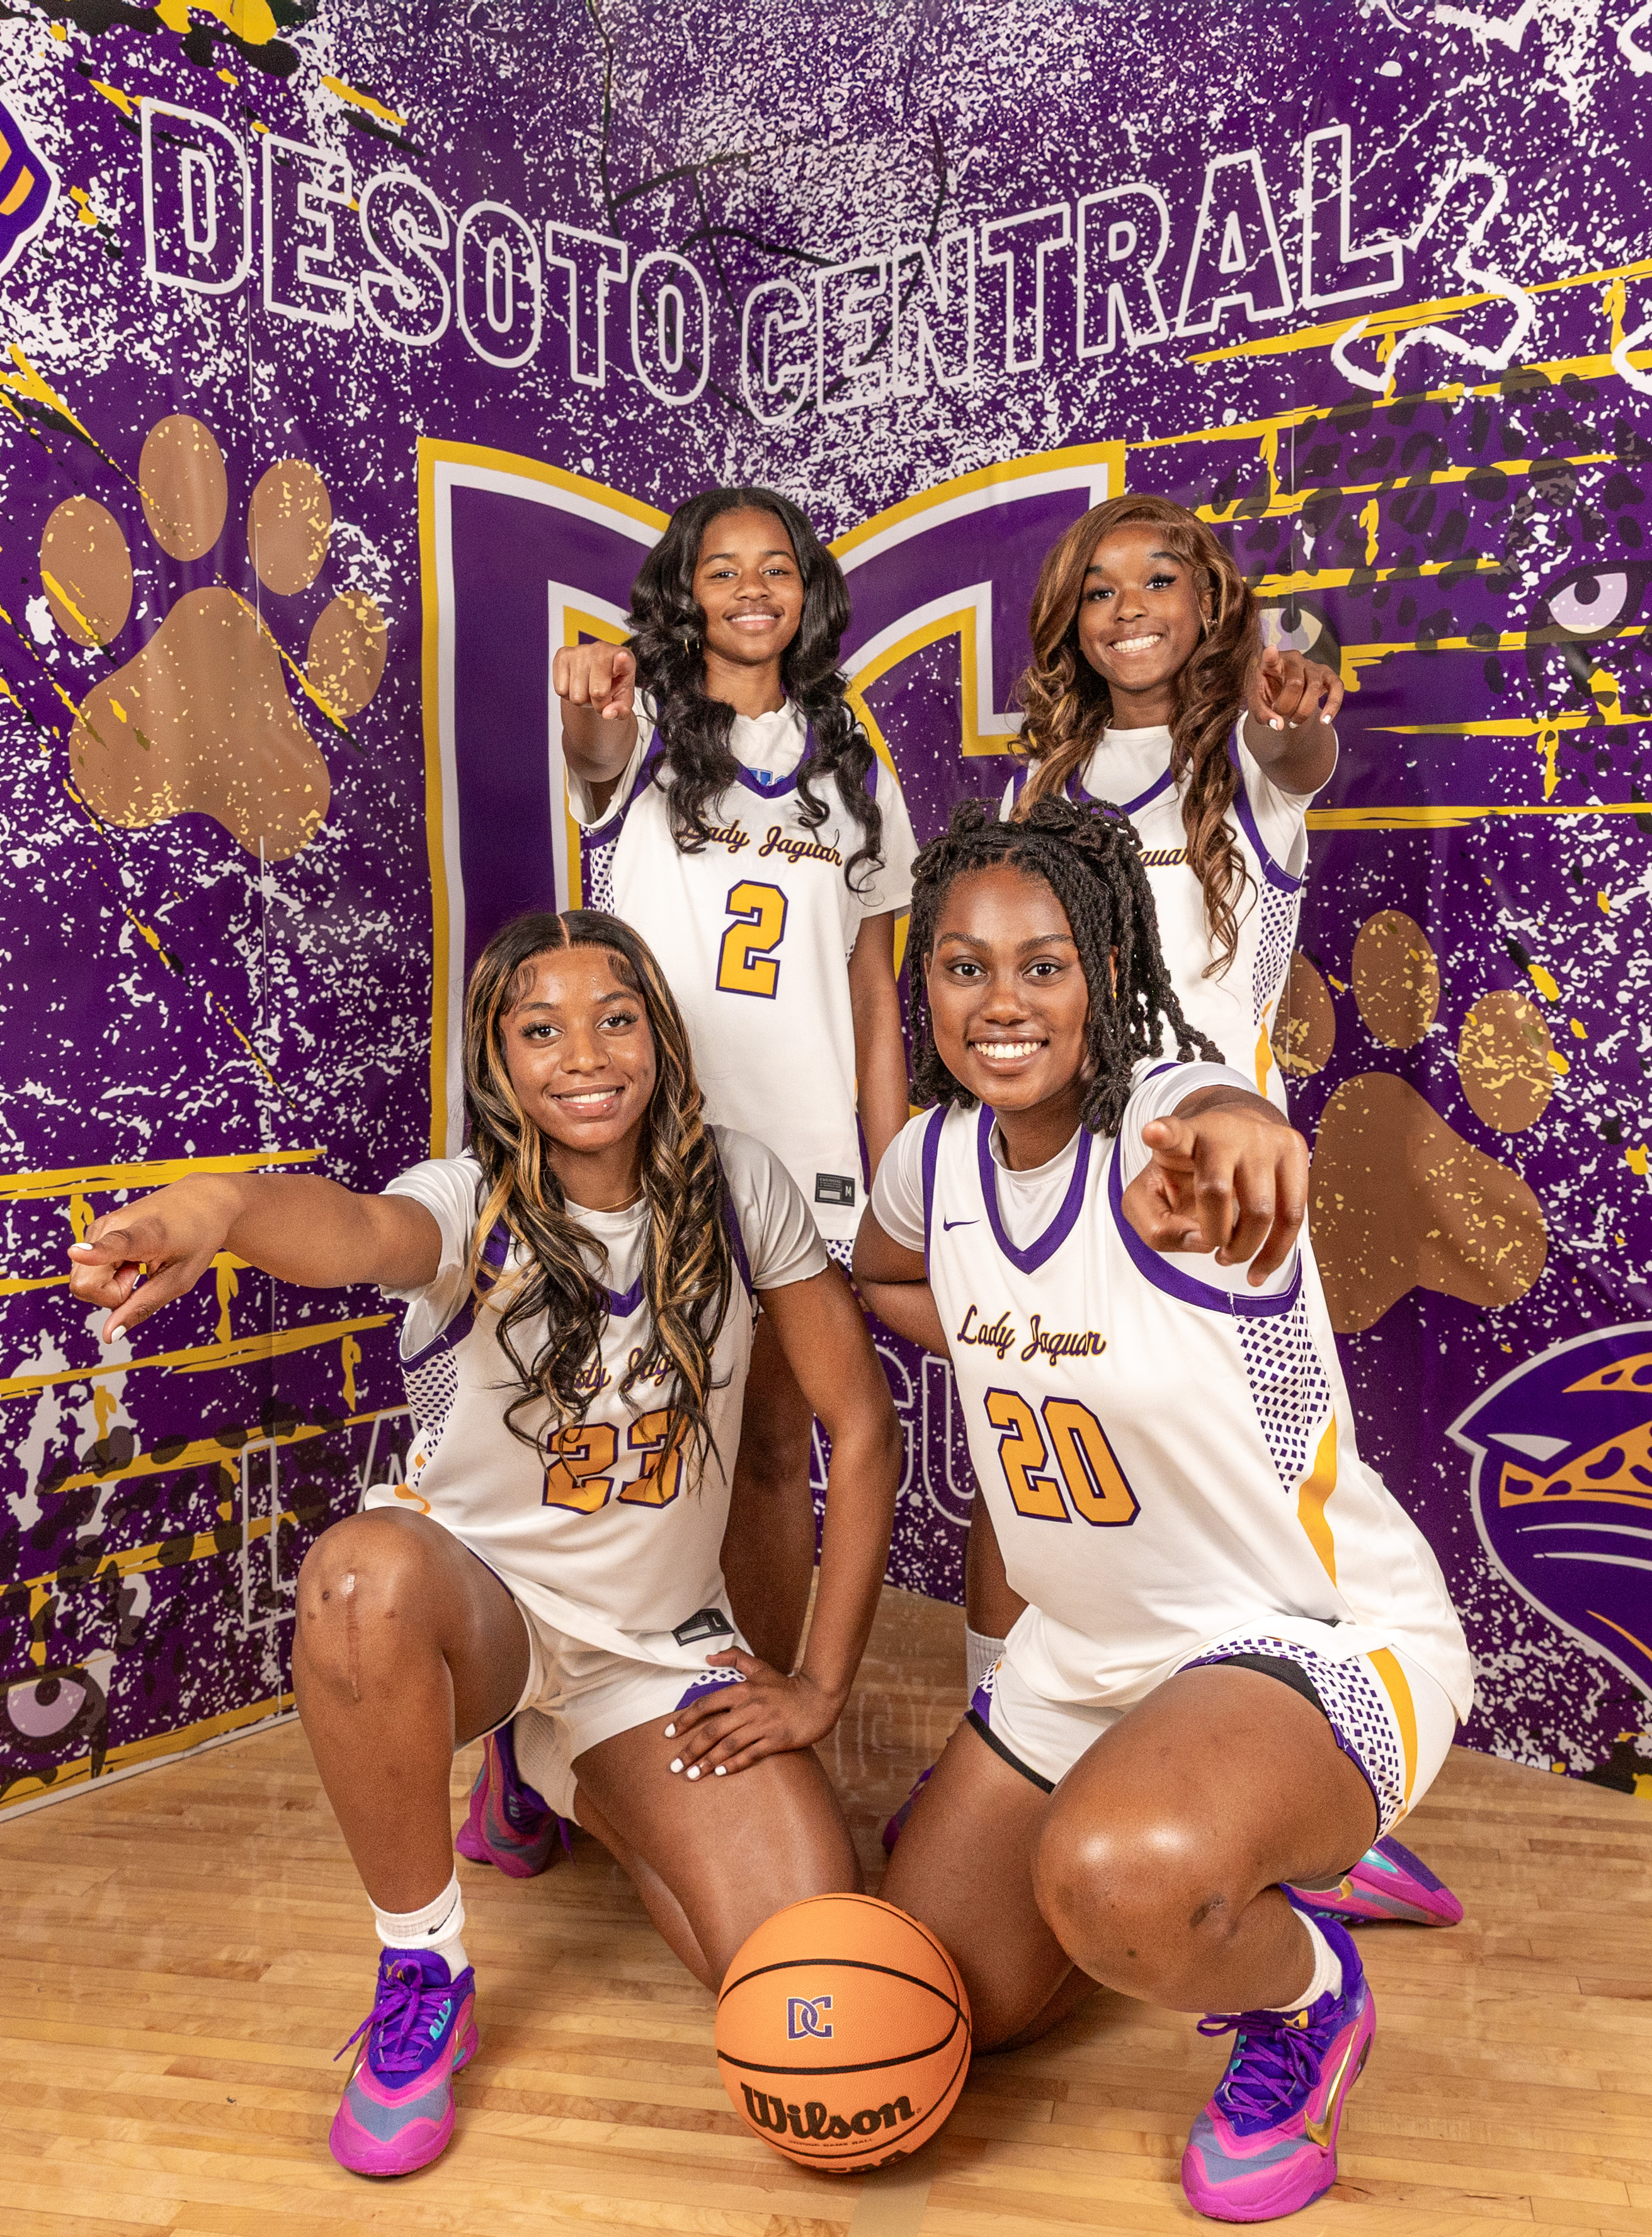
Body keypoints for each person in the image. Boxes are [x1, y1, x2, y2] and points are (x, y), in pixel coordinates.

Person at [67, 909, 901, 2182]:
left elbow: (860, 1422)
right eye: (541, 1029)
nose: (584, 1055)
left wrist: (819, 1687)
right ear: (498, 1060)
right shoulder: (464, 1205)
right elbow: (347, 1232)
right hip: (483, 1620)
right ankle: (424, 1965)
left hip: (651, 1653)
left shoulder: (741, 1185)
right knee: (358, 1575)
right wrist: (218, 1206)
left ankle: (561, 1777)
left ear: (661, 1040)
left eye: (614, 1019)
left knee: (812, 1969)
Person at [855, 799, 1473, 2223]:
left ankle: (1307, 1995)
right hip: (1083, 1659)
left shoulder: (1162, 1148)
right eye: (963, 966)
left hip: (1312, 1639)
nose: (1001, 1002)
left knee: (1118, 1881)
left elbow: (1209, 1119)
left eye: (1046, 965)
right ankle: (1244, 1847)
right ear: (928, 986)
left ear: (1107, 979)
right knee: (960, 1995)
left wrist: (1240, 1130)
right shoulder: (934, 1165)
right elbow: (888, 1271)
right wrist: (994, 1326)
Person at [937, 493, 1459, 1937]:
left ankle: (1325, 1786)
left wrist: (1288, 718)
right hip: (1078, 1172)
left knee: (1276, 1496)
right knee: (1048, 1428)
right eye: (1095, 589)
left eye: (1158, 578)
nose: (1126, 607)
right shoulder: (1038, 793)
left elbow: (1298, 754)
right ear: (1068, 624)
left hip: (1216, 1191)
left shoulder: (1239, 756)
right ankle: (1067, 1729)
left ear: (1207, 599)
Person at [552, 487, 916, 1678]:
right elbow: (592, 753)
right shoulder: (646, 722)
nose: (752, 589)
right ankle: (547, 1720)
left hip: (804, 1154)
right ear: (686, 591)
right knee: (618, 1438)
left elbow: (875, 998)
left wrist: (892, 1172)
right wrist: (591, 699)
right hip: (656, 1141)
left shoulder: (855, 763)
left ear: (807, 592)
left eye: (777, 568)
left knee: (769, 1449)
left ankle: (756, 1694)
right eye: (724, 569)